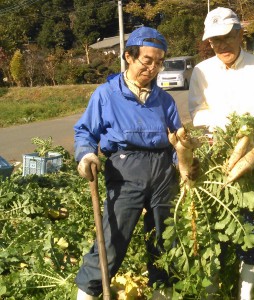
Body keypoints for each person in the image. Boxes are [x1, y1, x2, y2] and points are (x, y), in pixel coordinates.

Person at [74, 26, 183, 300]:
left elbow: (177, 138)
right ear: (129, 57)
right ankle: (87, 293)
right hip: (125, 169)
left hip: (163, 172)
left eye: (159, 62)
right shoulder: (107, 95)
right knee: (113, 241)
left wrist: (183, 158)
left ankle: (162, 294)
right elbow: (86, 131)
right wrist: (86, 154)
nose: (154, 68)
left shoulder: (165, 100)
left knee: (164, 240)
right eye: (147, 60)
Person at [188, 7, 254, 300]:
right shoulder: (201, 71)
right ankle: (213, 290)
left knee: (252, 228)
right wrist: (226, 127)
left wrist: (253, 133)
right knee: (211, 226)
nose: (221, 46)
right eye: (214, 41)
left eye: (226, 38)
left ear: (240, 34)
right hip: (213, 162)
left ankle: (245, 294)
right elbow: (196, 114)